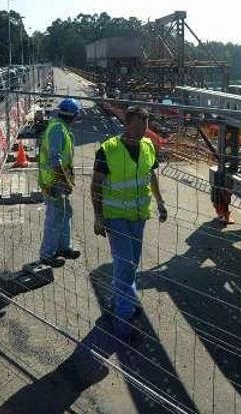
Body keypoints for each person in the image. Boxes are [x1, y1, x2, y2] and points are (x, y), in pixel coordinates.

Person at [91, 106, 168, 337]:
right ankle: (124, 317)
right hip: (115, 217)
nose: (140, 134)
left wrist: (160, 202)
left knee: (132, 262)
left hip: (139, 216)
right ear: (126, 125)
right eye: (136, 128)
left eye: (144, 129)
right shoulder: (108, 149)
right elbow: (96, 185)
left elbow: (151, 175)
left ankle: (118, 299)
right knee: (124, 262)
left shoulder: (147, 146)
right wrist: (98, 216)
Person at [38, 98, 82, 267]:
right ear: (74, 115)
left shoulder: (61, 128)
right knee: (54, 218)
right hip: (53, 182)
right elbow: (55, 161)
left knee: (65, 213)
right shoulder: (58, 130)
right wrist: (65, 182)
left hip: (58, 181)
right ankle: (47, 254)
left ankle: (64, 247)